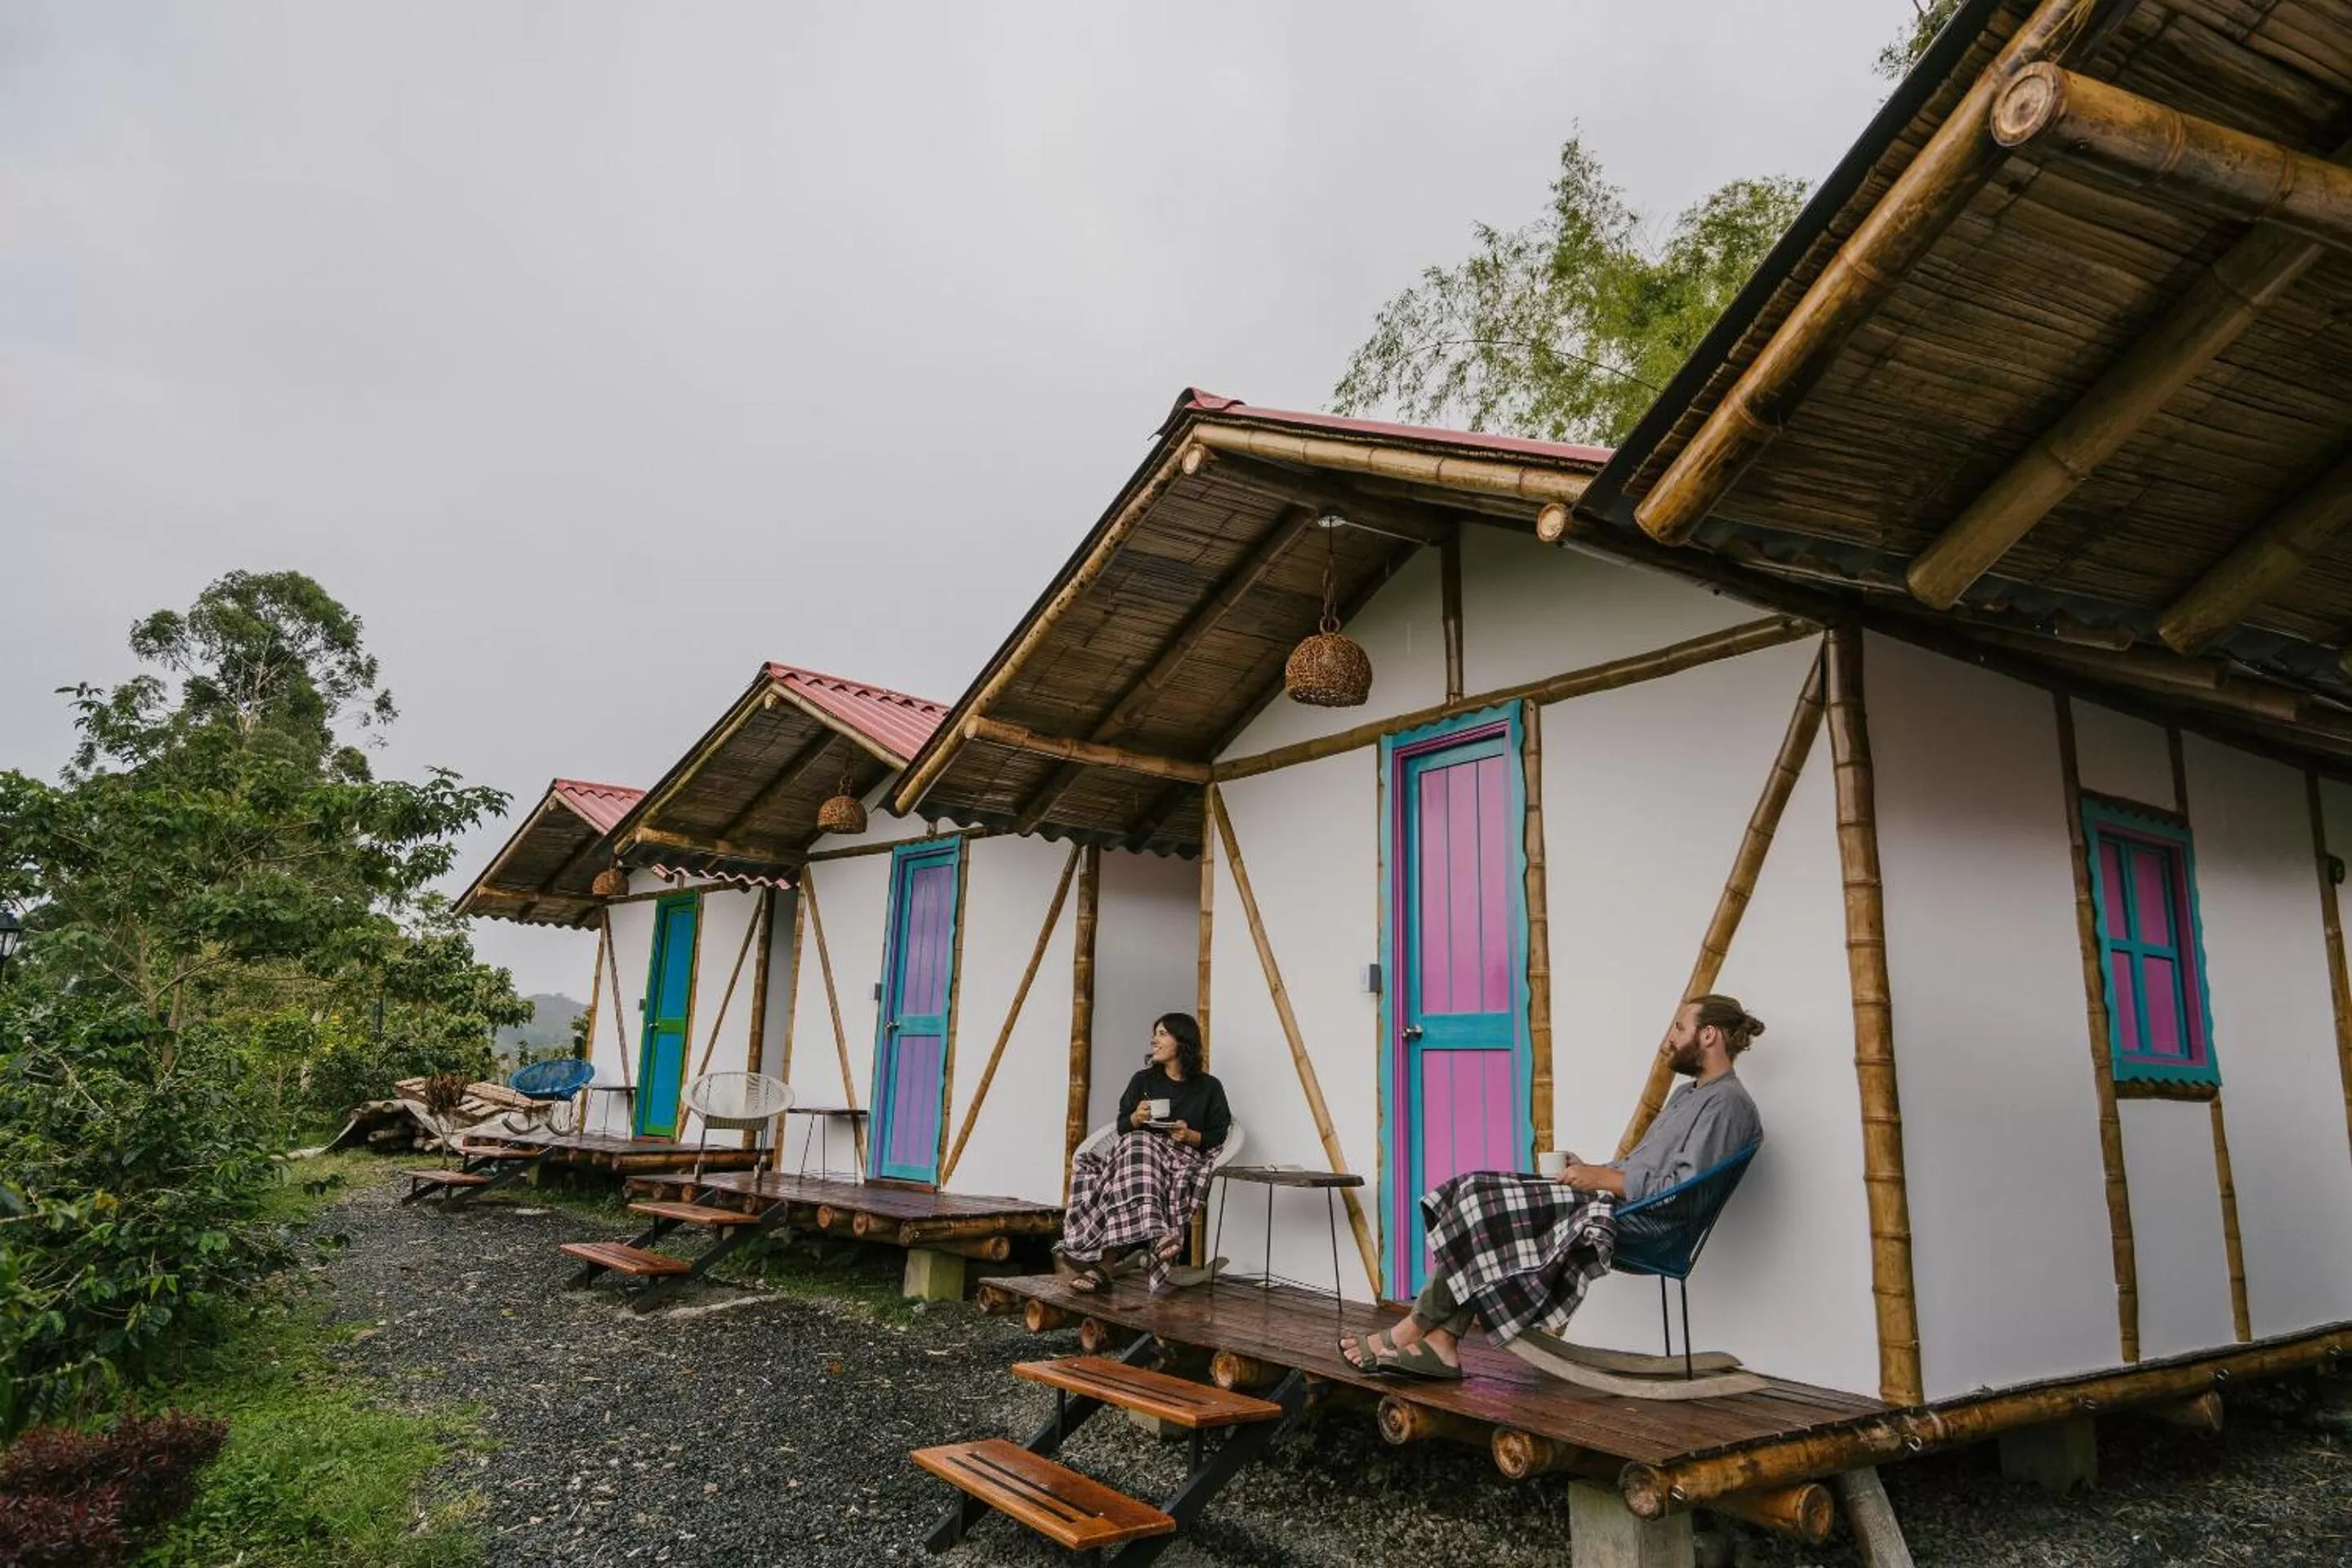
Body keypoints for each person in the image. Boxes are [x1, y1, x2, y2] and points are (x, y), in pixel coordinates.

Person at [1339, 993, 1765, 1380]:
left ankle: (1417, 1328)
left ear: (1708, 1035)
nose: (1669, 1038)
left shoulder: (1727, 1105)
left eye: (1679, 1027)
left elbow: (1681, 1190)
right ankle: (1441, 1341)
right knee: (1474, 1190)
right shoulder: (1688, 1095)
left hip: (1643, 1224)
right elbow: (1645, 1167)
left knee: (1483, 1206)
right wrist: (1593, 1170)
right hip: (1613, 1205)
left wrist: (1604, 1180)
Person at [1058, 1012, 1231, 1296]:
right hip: (1138, 1158)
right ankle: (1162, 1235)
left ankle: (1104, 1268)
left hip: (1180, 1157)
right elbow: (1123, 1126)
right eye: (1155, 1033)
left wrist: (1190, 1136)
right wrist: (1136, 1118)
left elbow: (1218, 1134)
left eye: (1162, 1033)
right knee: (1136, 1149)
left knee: (1130, 1164)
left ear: (1182, 1041)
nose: (1154, 1039)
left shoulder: (1209, 1087)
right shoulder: (1143, 1081)